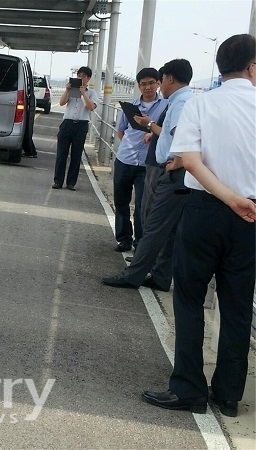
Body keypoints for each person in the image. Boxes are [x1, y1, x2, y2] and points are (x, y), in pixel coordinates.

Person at [142, 34, 256, 417]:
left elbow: (189, 159)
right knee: (238, 306)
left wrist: (227, 198)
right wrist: (242, 201)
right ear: (253, 67)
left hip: (205, 209)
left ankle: (189, 388)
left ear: (221, 67)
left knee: (189, 297)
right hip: (251, 216)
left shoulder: (201, 104)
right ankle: (228, 395)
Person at [102, 59, 193, 292]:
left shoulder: (181, 102)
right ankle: (161, 277)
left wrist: (179, 159)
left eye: (159, 81)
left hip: (169, 171)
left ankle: (132, 276)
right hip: (160, 167)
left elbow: (180, 135)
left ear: (169, 78)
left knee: (152, 224)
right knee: (169, 229)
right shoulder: (182, 100)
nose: (157, 86)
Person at [112, 68, 167, 252]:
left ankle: (140, 243)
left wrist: (152, 132)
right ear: (139, 86)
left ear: (158, 83)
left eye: (151, 82)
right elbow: (120, 130)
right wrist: (130, 145)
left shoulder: (165, 106)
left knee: (143, 206)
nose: (148, 87)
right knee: (121, 201)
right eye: (143, 84)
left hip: (147, 164)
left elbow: (168, 132)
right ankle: (124, 238)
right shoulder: (130, 106)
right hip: (124, 159)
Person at [52, 66, 98, 190]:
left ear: (88, 78)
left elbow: (91, 107)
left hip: (81, 125)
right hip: (67, 123)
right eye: (79, 75)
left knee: (76, 155)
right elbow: (61, 103)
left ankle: (71, 183)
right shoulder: (71, 90)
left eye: (83, 76)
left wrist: (83, 93)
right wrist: (67, 90)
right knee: (61, 154)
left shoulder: (92, 93)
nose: (80, 78)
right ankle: (58, 181)